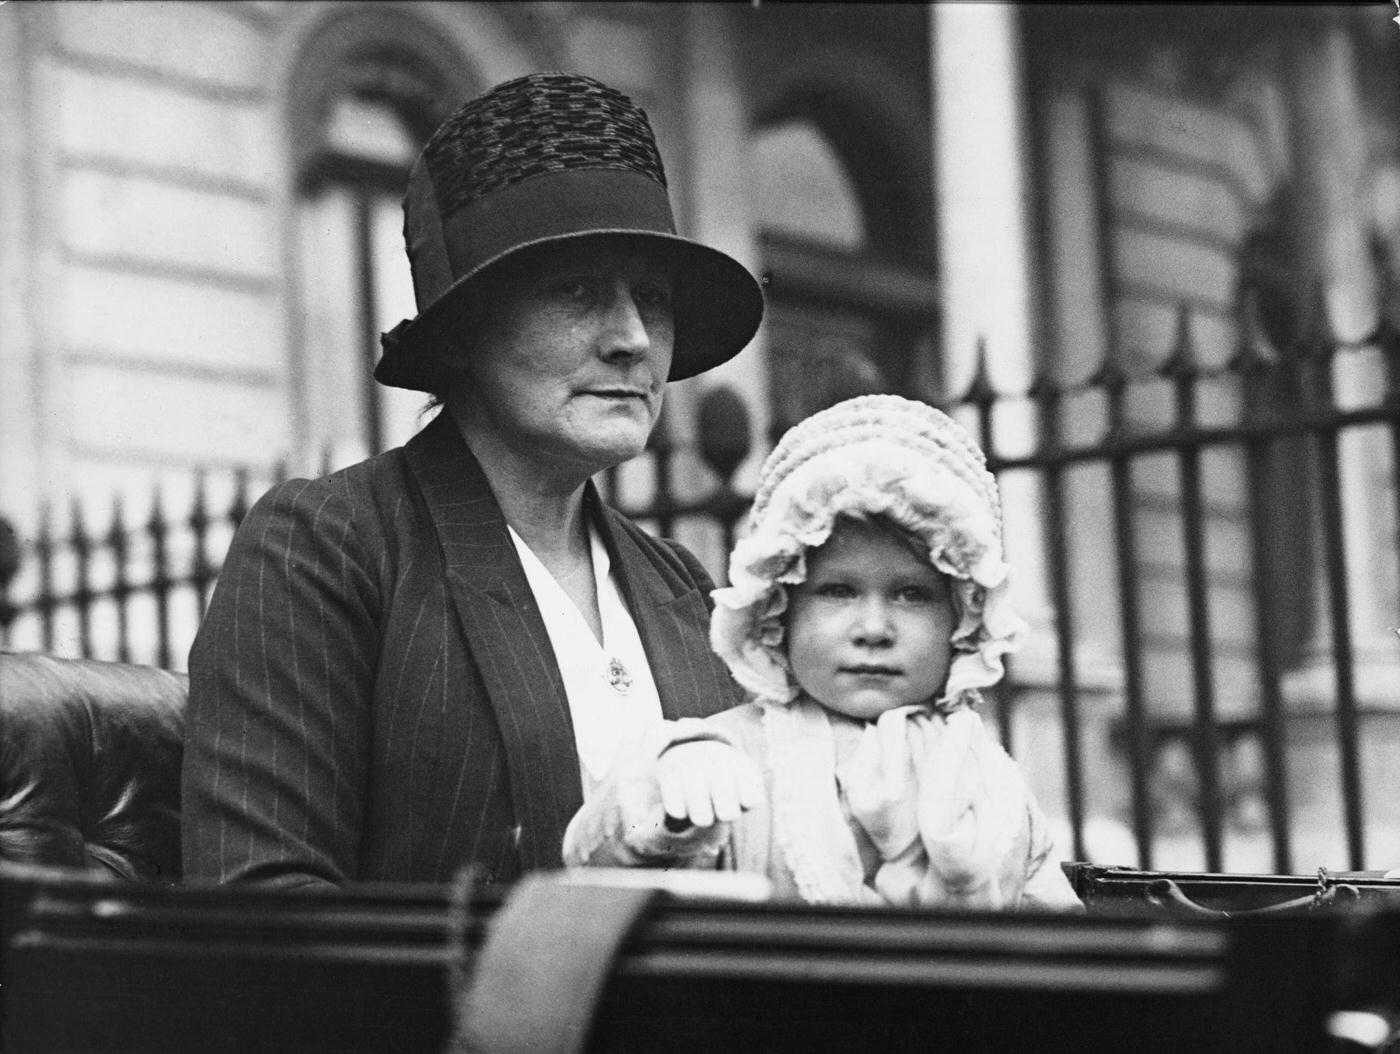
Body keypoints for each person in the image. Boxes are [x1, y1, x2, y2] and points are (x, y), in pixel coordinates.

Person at [180, 73, 764, 888]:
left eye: (654, 298)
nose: (633, 337)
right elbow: (264, 906)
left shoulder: (686, 588)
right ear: (464, 329)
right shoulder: (330, 549)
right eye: (578, 289)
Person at [564, 394, 1081, 910]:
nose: (874, 629)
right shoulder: (729, 759)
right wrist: (663, 808)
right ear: (777, 609)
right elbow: (595, 876)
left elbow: (1060, 944)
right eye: (838, 591)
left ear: (963, 618)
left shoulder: (991, 781)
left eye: (912, 594)